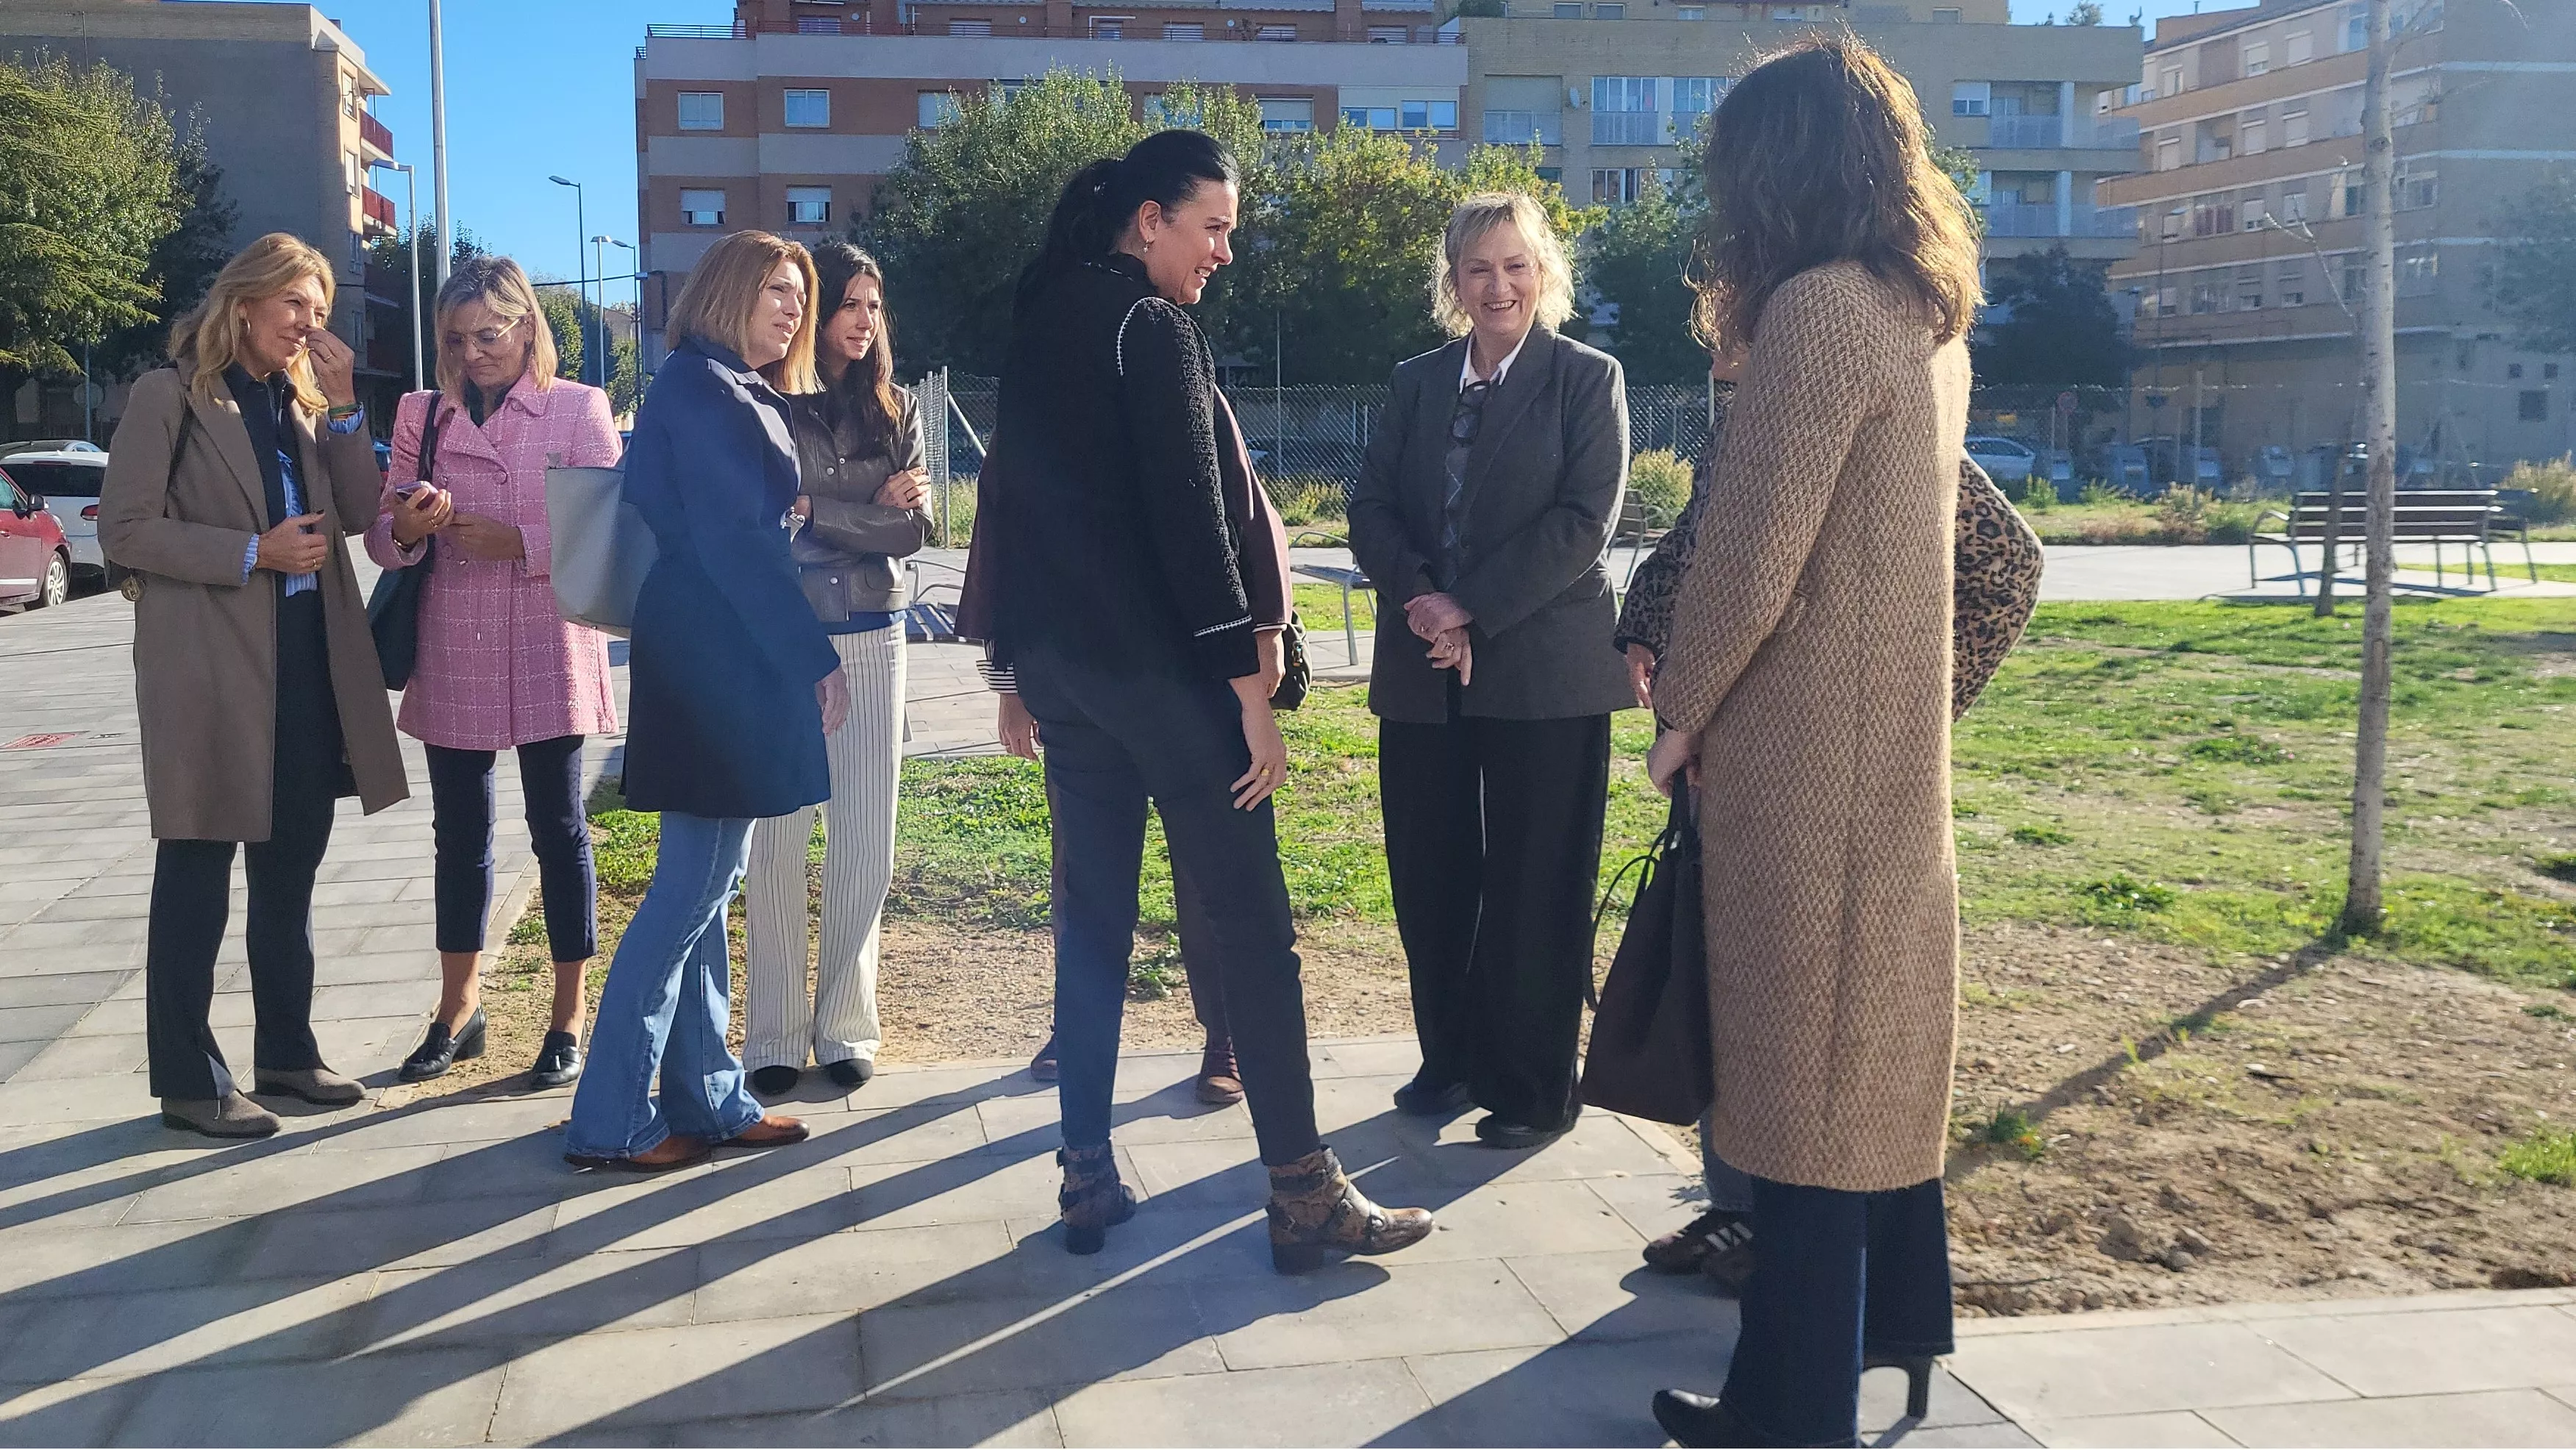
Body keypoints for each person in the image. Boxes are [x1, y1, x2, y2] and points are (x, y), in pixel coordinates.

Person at [973, 129, 1433, 1268]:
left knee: (1092, 926)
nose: (1222, 252)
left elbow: (1011, 509)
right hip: (1161, 682)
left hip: (1069, 680)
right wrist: (1252, 691)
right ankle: (1303, 1192)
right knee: (1253, 931)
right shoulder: (1152, 328)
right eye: (1211, 227)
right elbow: (1193, 528)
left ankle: (1085, 1173)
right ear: (1148, 222)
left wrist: (1020, 667)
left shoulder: (1039, 329)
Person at [1641, 35, 1988, 1449]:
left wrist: (1676, 719)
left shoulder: (1824, 313)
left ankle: (1782, 1418)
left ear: (1771, 170)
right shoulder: (1921, 309)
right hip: (1885, 757)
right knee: (1869, 1073)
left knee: (1802, 1102)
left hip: (1804, 766)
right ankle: (1898, 1333)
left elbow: (1748, 555)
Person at [1617, 361, 2043, 1296]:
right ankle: (1732, 1208)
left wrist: (1909, 716)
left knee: (1788, 1012)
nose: (1717, 317)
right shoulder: (1750, 391)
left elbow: (2007, 566)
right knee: (1720, 983)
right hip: (1720, 747)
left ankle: (1781, 1238)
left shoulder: (1845, 382)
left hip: (1800, 768)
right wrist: (1641, 625)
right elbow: (1706, 542)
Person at [98, 232, 410, 1138]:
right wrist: (251, 552)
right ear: (243, 305)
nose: (310, 325)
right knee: (197, 863)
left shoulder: (305, 405)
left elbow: (356, 514)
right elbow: (124, 528)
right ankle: (191, 1082)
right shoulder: (170, 398)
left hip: (310, 655)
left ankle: (286, 1052)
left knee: (291, 865)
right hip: (209, 664)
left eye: (318, 310)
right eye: (295, 308)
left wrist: (349, 407)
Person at [1345, 192, 1633, 1151]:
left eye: (1514, 265)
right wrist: (1425, 598)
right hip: (1422, 667)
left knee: (1534, 881)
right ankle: (1453, 1057)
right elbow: (1370, 506)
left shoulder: (1586, 381)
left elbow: (1578, 525)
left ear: (1542, 273)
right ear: (1453, 284)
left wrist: (1470, 606)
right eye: (1477, 269)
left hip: (1543, 669)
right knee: (1430, 874)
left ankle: (1534, 1086)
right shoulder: (1415, 382)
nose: (1497, 285)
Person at [562, 230, 841, 1172]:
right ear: (728, 291)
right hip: (722, 651)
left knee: (706, 886)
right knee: (687, 893)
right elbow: (735, 545)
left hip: (710, 646)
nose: (794, 307)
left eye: (801, 293)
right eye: (776, 288)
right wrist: (816, 661)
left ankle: (707, 1097)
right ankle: (608, 1118)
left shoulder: (710, 382)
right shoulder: (709, 387)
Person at [998, 381, 1298, 1110]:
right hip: (1083, 688)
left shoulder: (1191, 397)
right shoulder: (1051, 406)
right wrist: (1009, 683)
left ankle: (1221, 1034)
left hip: (1190, 688)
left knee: (1205, 872)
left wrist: (1264, 645)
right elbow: (1011, 550)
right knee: (1083, 875)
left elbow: (1253, 522)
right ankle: (1080, 1031)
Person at [368, 256, 621, 1089]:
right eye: (456, 339)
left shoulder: (579, 407)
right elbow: (380, 540)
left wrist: (519, 542)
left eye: (490, 333)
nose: (474, 353)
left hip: (549, 636)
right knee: (459, 836)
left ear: (525, 326)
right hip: (455, 640)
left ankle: (568, 1012)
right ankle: (457, 1007)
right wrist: (408, 523)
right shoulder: (421, 414)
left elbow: (612, 529)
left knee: (560, 829)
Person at [743, 242, 930, 1099]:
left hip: (875, 632)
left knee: (865, 842)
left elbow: (910, 533)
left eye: (874, 305)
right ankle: (773, 1034)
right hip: (783, 638)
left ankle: (846, 1024)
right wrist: (856, 507)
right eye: (848, 303)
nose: (863, 320)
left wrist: (824, 507)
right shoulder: (769, 401)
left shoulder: (899, 408)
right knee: (778, 839)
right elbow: (775, 523)